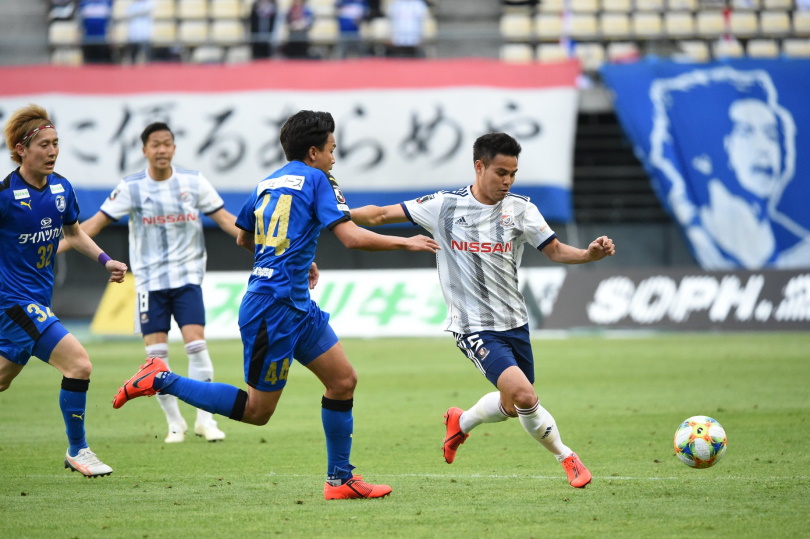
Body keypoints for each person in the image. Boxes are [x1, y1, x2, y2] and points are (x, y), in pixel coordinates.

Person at [112, 110, 440, 499]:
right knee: (257, 412)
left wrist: (297, 257)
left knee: (343, 381)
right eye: (332, 149)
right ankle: (159, 378)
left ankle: (340, 480)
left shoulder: (267, 182)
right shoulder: (319, 178)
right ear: (314, 151)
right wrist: (407, 241)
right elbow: (351, 237)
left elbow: (242, 237)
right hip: (273, 308)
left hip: (293, 302)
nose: (335, 156)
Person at [351, 132, 616, 489]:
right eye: (500, 172)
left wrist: (588, 255)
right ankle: (567, 457)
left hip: (515, 322)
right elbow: (381, 215)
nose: (507, 181)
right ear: (479, 167)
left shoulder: (521, 209)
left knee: (513, 404)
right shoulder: (444, 205)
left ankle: (459, 424)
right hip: (472, 325)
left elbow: (553, 250)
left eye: (513, 173)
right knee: (525, 397)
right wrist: (335, 215)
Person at [56, 122, 239, 444]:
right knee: (156, 357)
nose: (162, 150)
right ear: (144, 150)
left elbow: (225, 219)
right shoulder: (131, 187)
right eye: (155, 144)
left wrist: (263, 242)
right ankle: (174, 424)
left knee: (196, 345)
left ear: (174, 148)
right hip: (150, 283)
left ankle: (205, 420)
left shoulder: (193, 182)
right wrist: (49, 247)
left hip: (187, 279)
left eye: (167, 143)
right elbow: (94, 225)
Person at [0, 104, 127, 477]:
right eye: (44, 144)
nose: (53, 151)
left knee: (3, 378)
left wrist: (105, 260)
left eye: (56, 143)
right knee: (79, 364)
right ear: (22, 150)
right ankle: (79, 450)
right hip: (13, 303)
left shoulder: (61, 189)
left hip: (38, 301)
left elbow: (73, 234)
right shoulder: (6, 196)